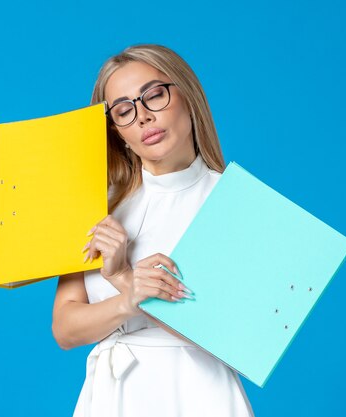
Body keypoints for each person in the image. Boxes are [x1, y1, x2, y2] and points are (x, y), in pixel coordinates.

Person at [51, 44, 255, 417]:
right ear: (116, 131)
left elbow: (243, 344)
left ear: (188, 96)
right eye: (124, 110)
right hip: (110, 398)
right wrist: (127, 299)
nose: (143, 117)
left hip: (197, 396)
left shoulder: (237, 204)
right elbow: (65, 329)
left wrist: (122, 276)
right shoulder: (95, 207)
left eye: (154, 95)